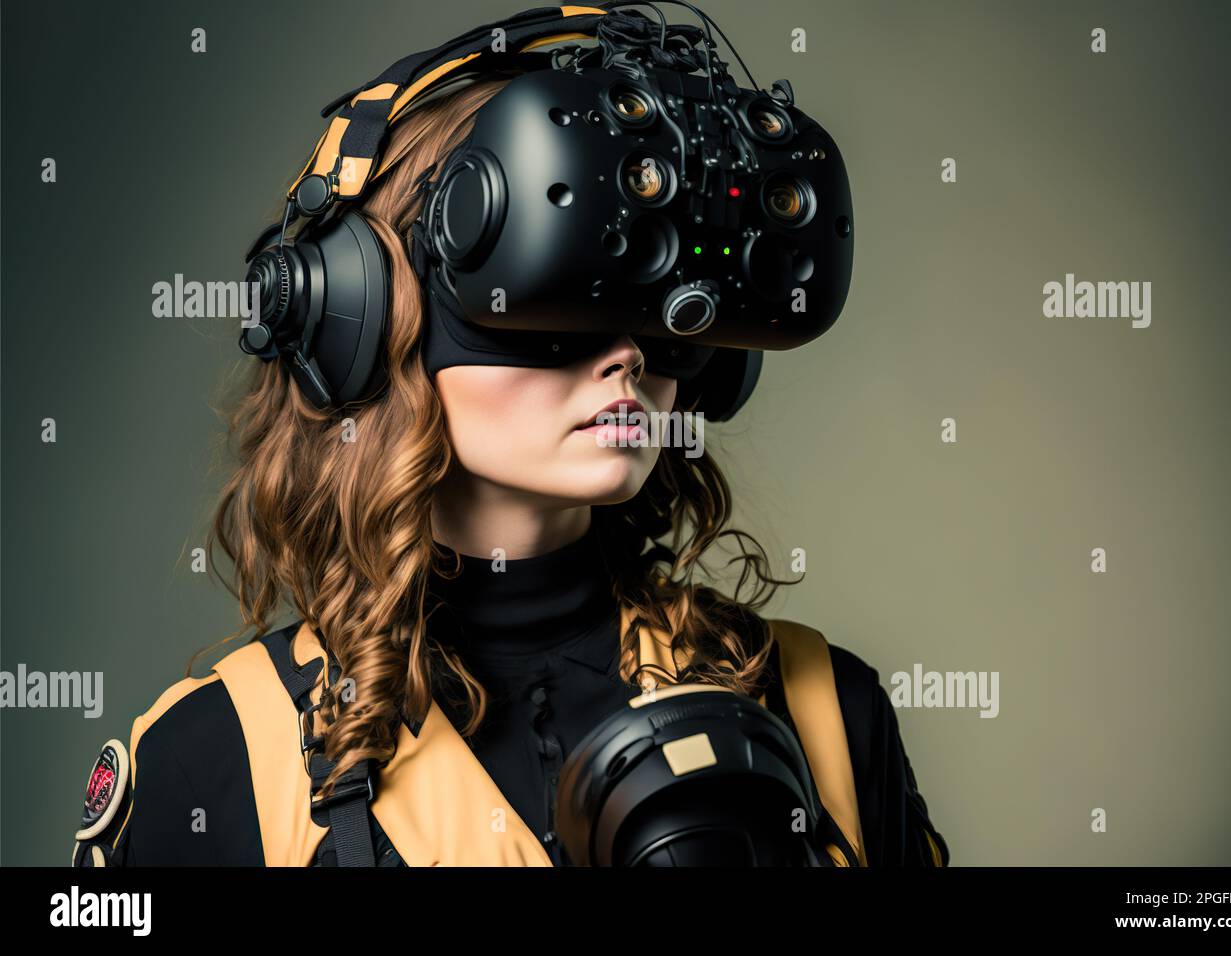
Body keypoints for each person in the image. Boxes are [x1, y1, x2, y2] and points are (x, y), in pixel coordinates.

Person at [71, 62, 948, 870]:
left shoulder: (824, 713)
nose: (625, 357)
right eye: (553, 292)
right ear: (362, 318)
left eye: (651, 298)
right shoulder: (213, 758)